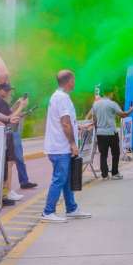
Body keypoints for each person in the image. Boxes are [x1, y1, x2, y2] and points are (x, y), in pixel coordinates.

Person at [42, 70, 91, 222]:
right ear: (69, 81)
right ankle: (48, 212)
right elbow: (64, 122)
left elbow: (66, 122)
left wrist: (78, 127)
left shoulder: (59, 96)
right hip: (60, 147)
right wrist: (72, 144)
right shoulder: (62, 98)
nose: (75, 82)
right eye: (74, 79)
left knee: (67, 178)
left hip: (60, 146)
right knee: (60, 178)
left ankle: (72, 208)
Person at [0, 83, 32, 203]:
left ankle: (7, 191)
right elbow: (9, 117)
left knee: (9, 162)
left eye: (9, 90)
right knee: (8, 163)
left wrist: (17, 105)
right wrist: (21, 107)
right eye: (6, 90)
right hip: (5, 134)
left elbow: (8, 114)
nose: (8, 92)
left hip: (6, 133)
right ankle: (6, 192)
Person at [91, 89, 133, 180]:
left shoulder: (95, 104)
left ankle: (105, 175)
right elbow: (123, 115)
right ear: (110, 93)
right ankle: (114, 173)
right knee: (116, 153)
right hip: (111, 132)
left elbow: (94, 120)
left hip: (100, 133)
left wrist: (97, 130)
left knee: (103, 154)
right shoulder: (112, 104)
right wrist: (130, 110)